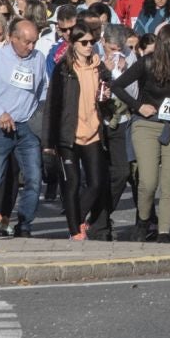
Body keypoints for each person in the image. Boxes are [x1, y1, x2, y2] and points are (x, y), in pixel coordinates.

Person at [112, 26, 170, 243]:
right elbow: (117, 86)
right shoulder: (147, 63)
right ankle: (143, 220)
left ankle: (164, 232)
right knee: (148, 181)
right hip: (147, 125)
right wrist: (139, 106)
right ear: (167, 44)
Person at [0, 17, 48, 237]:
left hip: (26, 128)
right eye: (26, 42)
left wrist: (37, 115)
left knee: (34, 177)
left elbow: (42, 88)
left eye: (34, 41)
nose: (31, 46)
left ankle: (24, 224)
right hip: (0, 128)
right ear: (13, 38)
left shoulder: (38, 58)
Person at [44, 26, 113, 241]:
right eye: (84, 42)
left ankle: (77, 216)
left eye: (91, 42)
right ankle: (75, 231)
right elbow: (53, 104)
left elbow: (106, 102)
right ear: (73, 44)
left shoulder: (99, 68)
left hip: (93, 131)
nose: (88, 46)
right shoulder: (63, 69)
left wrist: (107, 98)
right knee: (71, 183)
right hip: (68, 134)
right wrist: (49, 141)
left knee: (96, 182)